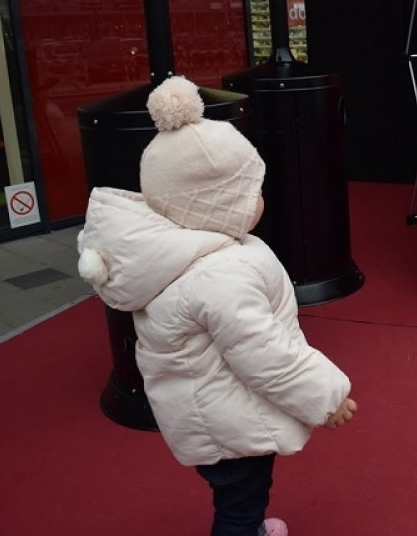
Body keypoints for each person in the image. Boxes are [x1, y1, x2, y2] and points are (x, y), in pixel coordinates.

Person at [77, 75, 357, 536]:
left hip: (207, 411)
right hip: (227, 420)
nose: (261, 201)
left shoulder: (181, 250)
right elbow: (263, 354)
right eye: (251, 192)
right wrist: (326, 397)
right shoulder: (219, 274)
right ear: (215, 204)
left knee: (239, 497)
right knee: (241, 503)